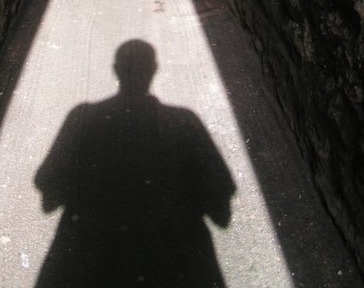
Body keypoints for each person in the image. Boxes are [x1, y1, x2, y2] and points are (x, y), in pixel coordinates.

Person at [35, 39, 235, 287]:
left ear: (116, 69)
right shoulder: (184, 121)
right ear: (153, 69)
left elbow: (48, 187)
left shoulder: (83, 118)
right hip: (172, 261)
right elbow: (220, 200)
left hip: (96, 258)